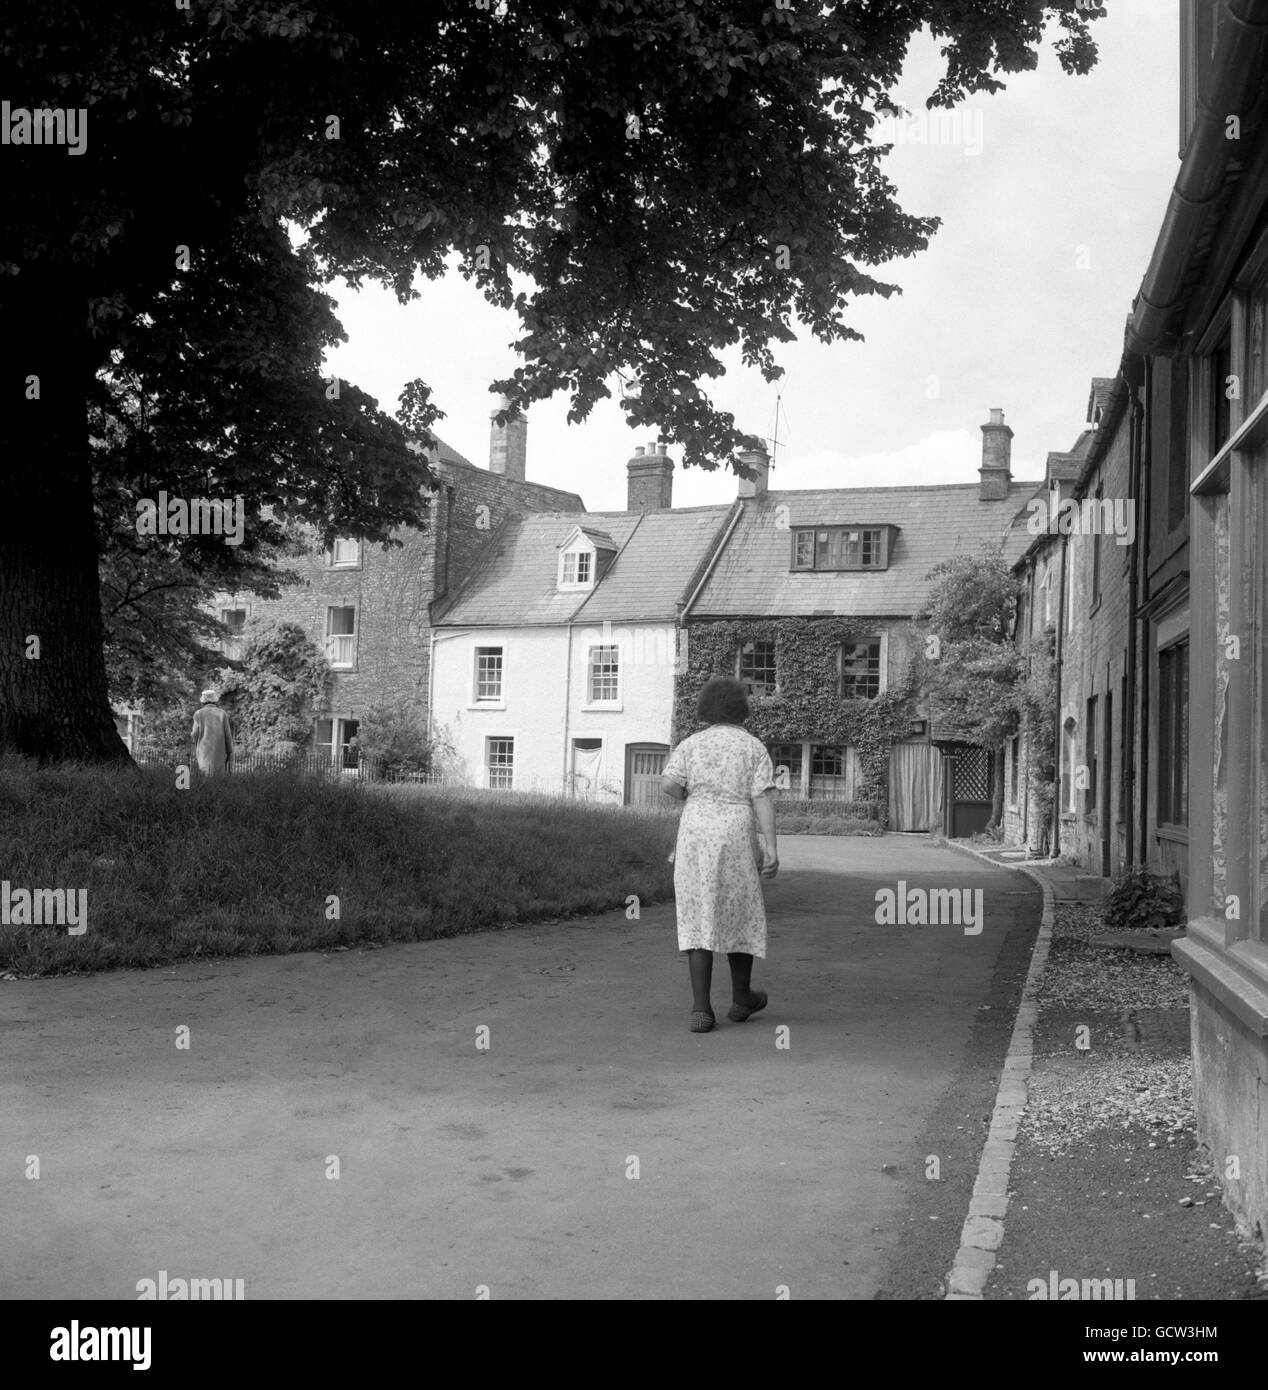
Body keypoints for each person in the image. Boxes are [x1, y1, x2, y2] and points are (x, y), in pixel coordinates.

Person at [661, 675, 779, 1033]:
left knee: (699, 912)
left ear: (706, 709)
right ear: (740, 709)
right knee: (737, 909)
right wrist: (771, 847)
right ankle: (742, 997)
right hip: (736, 831)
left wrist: (691, 795)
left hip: (695, 831)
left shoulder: (691, 744)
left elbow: (668, 784)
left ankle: (701, 1009)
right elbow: (762, 797)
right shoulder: (753, 747)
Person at [192, 689, 233, 777]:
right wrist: (229, 752)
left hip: (203, 753)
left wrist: (197, 746)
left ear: (202, 701)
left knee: (204, 779)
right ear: (215, 700)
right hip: (220, 752)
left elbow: (194, 734)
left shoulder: (198, 714)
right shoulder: (222, 714)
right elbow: (228, 736)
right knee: (218, 781)